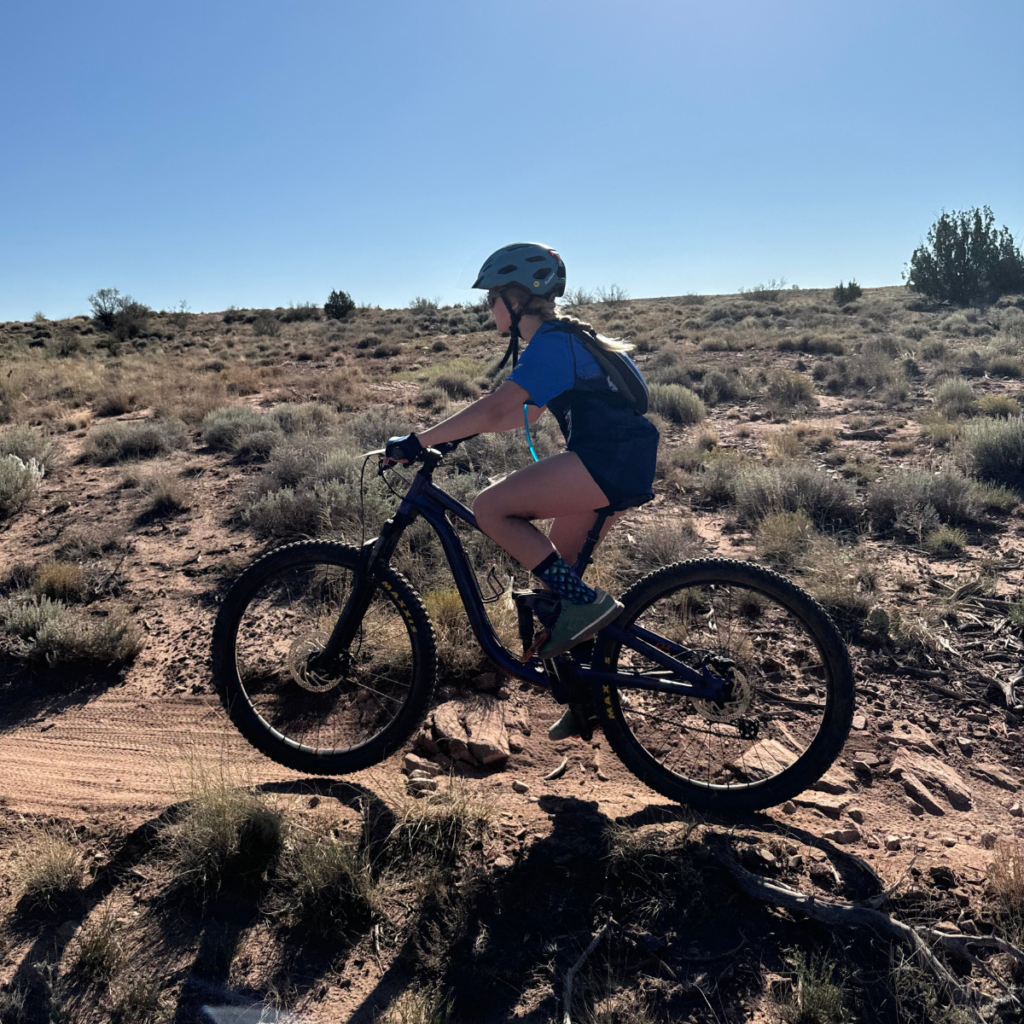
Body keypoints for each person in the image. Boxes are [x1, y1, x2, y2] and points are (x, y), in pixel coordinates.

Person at [384, 243, 660, 739]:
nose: (488, 307)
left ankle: (585, 610)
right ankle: (589, 696)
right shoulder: (567, 339)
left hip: (607, 461)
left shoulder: (555, 342)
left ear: (515, 298)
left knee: (490, 507)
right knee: (560, 592)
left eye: (492, 297)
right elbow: (520, 414)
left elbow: (497, 410)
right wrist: (449, 440)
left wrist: (419, 440)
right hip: (622, 461)